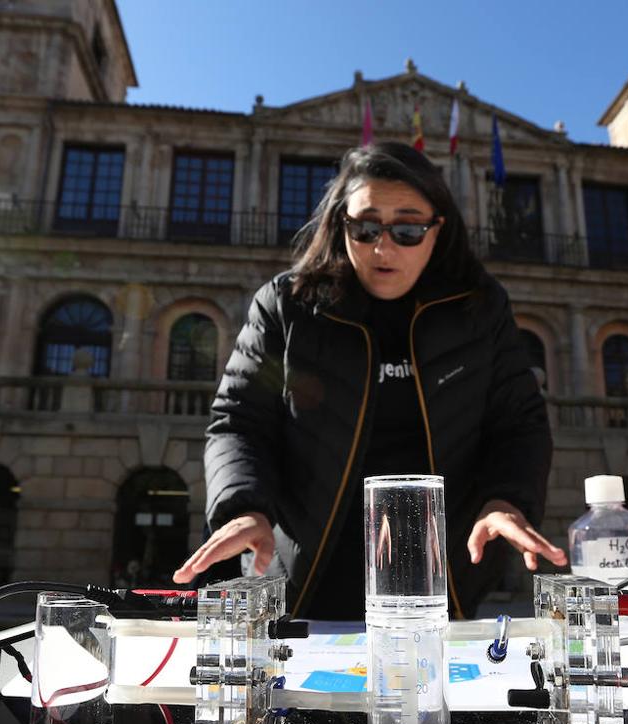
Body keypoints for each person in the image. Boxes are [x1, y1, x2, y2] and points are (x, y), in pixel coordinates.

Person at [173, 141, 565, 618]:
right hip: (307, 582)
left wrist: (506, 499)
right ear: (341, 225)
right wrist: (244, 507)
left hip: (443, 588)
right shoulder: (286, 306)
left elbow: (519, 423)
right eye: (365, 227)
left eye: (406, 228)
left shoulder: (480, 310)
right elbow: (239, 421)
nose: (383, 247)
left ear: (438, 228)